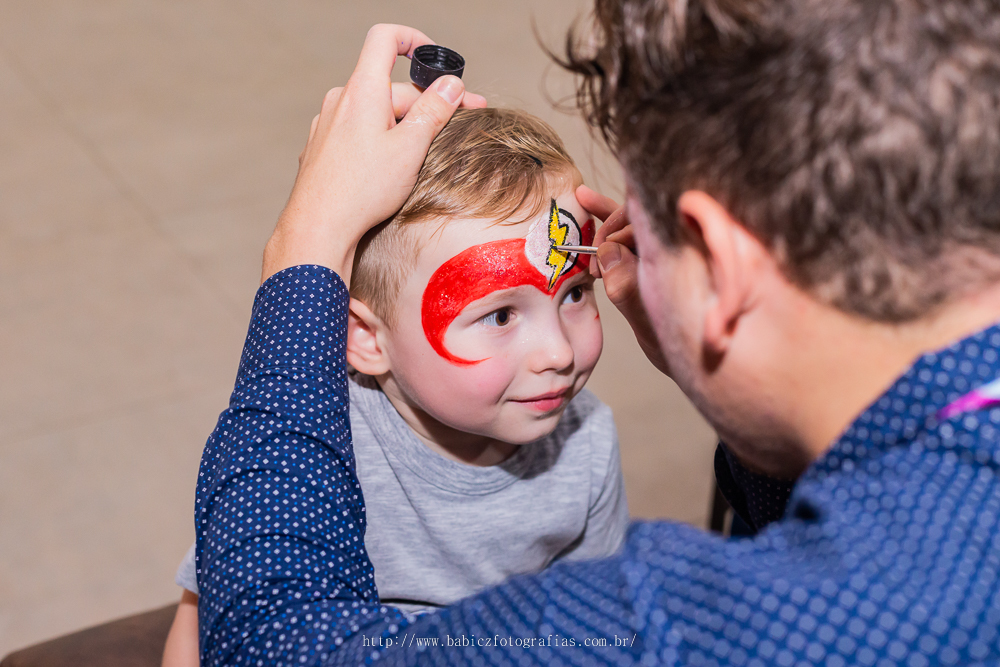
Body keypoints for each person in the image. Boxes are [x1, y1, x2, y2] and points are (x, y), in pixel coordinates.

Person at [197, 1, 1000, 663]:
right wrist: (731, 371)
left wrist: (306, 252)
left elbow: (278, 645)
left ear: (723, 266)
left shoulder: (713, 626)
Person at [170, 106, 628, 667]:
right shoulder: (315, 448)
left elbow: (599, 630)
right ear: (365, 336)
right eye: (502, 316)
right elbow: (209, 619)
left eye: (575, 293)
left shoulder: (587, 445)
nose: (558, 352)